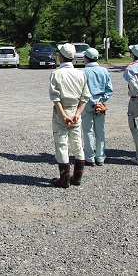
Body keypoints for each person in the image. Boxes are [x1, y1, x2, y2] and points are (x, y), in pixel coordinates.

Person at [49, 43, 91, 188]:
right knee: (77, 143)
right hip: (75, 112)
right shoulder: (81, 73)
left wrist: (63, 116)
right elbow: (85, 97)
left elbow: (56, 98)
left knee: (61, 144)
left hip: (62, 111)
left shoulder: (56, 74)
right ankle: (77, 177)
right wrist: (77, 114)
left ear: (61, 57)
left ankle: (64, 179)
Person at [81, 47, 113, 167]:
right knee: (100, 130)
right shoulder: (104, 71)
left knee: (87, 130)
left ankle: (90, 157)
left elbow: (81, 89)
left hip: (87, 102)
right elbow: (109, 89)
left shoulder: (83, 72)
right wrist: (102, 100)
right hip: (101, 102)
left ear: (86, 58)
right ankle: (100, 156)